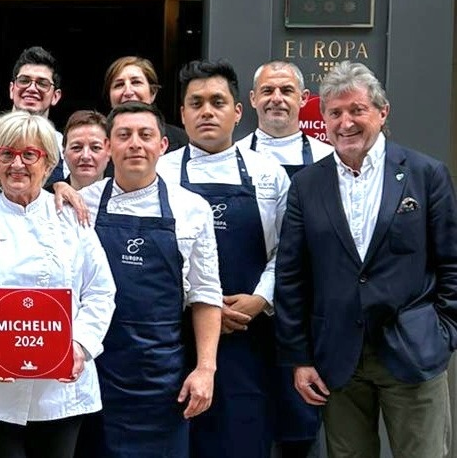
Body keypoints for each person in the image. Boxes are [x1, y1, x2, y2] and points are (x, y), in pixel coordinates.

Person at [275, 61, 457, 458]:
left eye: (357, 110)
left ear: (382, 112)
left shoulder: (426, 175)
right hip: (337, 359)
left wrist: (443, 334)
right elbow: (291, 277)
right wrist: (299, 358)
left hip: (414, 351)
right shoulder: (307, 185)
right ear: (322, 119)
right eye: (335, 113)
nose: (346, 122)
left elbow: (452, 263)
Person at [0, 111, 116, 458]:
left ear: (48, 163)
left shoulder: (71, 218)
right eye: (7, 154)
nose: (16, 164)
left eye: (29, 154)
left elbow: (100, 291)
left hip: (59, 391)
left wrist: (79, 345)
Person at [155, 59, 290, 458]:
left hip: (250, 336)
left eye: (217, 101)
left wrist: (262, 298)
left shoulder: (269, 174)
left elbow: (290, 249)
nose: (207, 111)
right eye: (196, 103)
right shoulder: (159, 173)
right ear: (182, 114)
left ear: (237, 111)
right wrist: (202, 304)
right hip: (177, 336)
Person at [75, 101, 221, 458]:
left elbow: (205, 295)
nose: (135, 144)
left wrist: (205, 369)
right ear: (109, 146)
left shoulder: (192, 209)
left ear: (163, 145)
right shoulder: (79, 205)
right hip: (94, 372)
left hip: (164, 378)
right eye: (124, 136)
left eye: (145, 135)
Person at [235, 60, 332, 457]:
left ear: (304, 100)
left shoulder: (330, 160)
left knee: (300, 430)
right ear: (253, 99)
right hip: (246, 314)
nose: (277, 99)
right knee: (246, 422)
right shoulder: (233, 156)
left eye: (287, 91)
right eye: (269, 91)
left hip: (310, 314)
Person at [103, 55, 188, 152]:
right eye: (119, 85)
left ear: (152, 92)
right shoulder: (96, 141)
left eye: (136, 82)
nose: (128, 92)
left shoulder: (182, 141)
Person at [9, 46, 67, 186]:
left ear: (55, 96)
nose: (32, 88)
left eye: (42, 83)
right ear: (12, 89)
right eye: (24, 80)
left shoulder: (66, 148)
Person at [61, 110, 110, 190]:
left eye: (95, 148)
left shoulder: (127, 198)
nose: (85, 156)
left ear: (109, 152)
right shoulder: (45, 199)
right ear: (64, 152)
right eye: (76, 147)